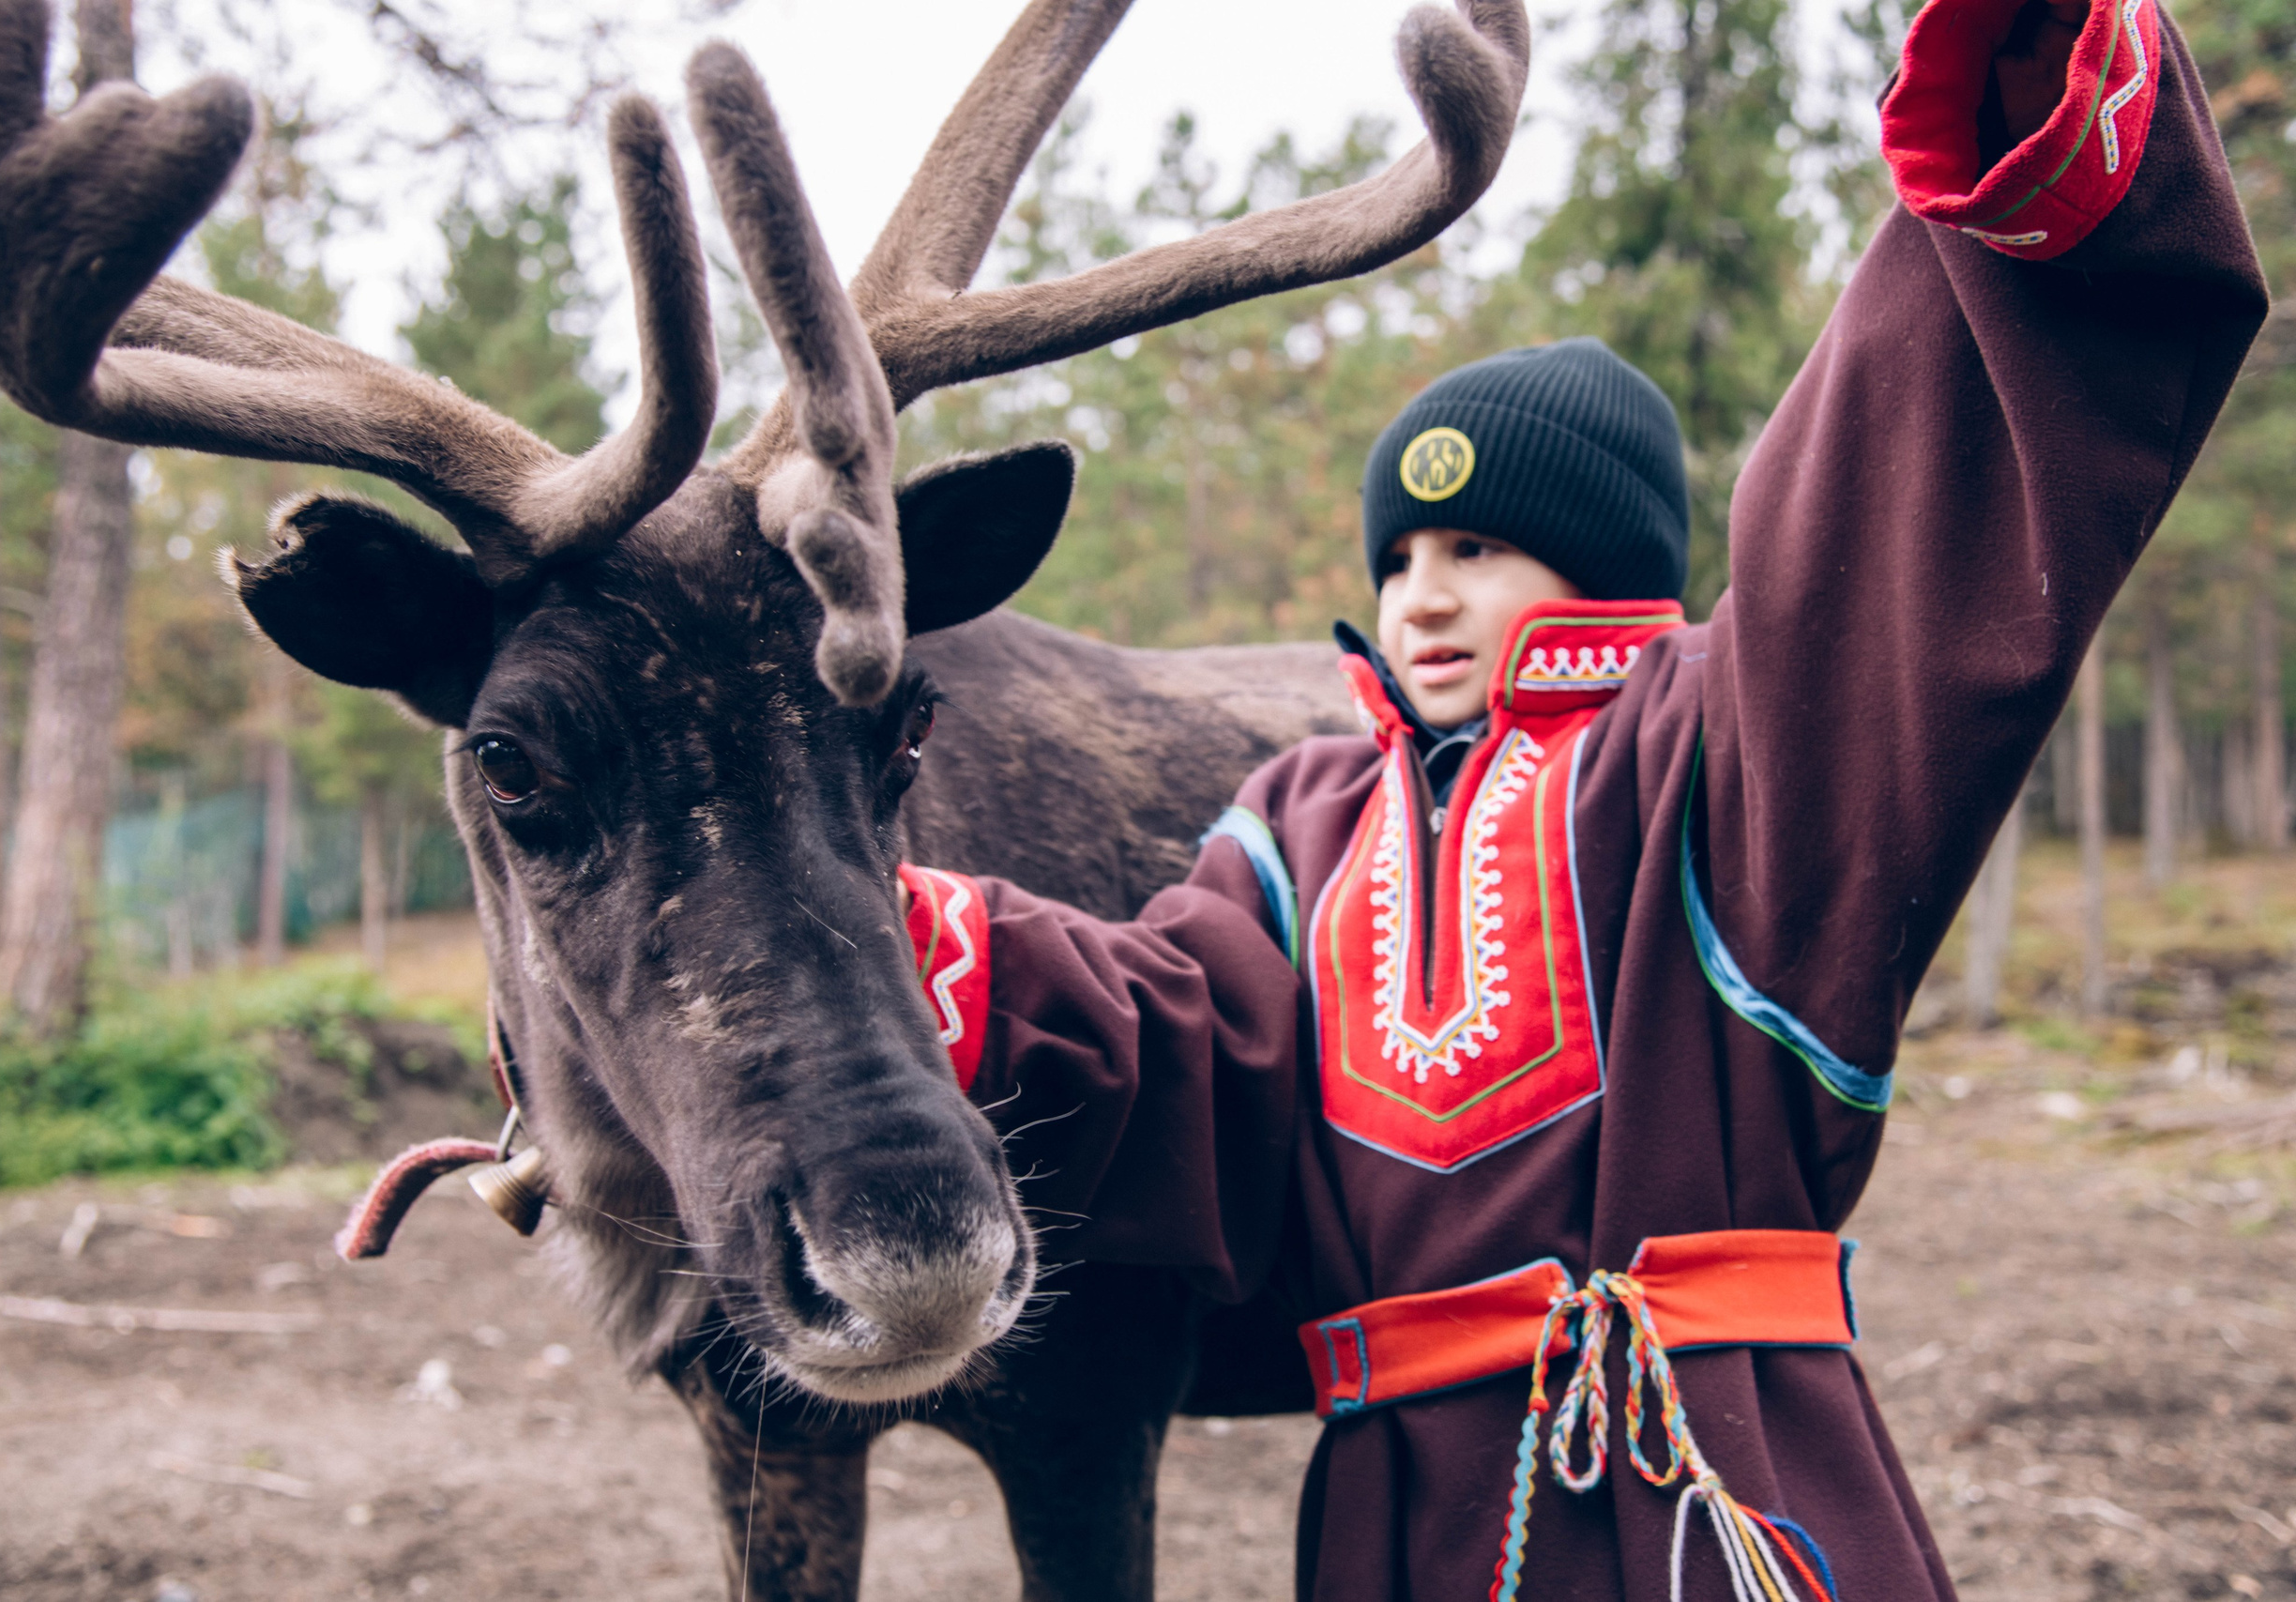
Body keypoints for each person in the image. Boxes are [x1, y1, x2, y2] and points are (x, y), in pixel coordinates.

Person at [893, 0, 2265, 1594]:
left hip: (1702, 1483)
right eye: (1397, 560)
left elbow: (1875, 519)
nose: (1419, 595)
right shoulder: (1301, 823)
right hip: (1402, 1515)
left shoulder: (1724, 750)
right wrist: (925, 948)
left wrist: (2013, 88)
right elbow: (1183, 1038)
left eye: (1475, 550)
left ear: (1604, 562)